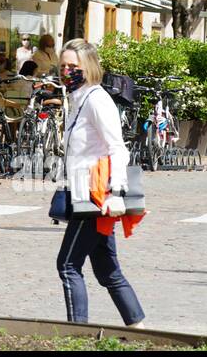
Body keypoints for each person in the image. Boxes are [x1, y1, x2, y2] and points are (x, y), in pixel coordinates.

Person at [55, 38, 146, 329]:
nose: (67, 71)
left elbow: (117, 148)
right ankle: (140, 332)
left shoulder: (96, 100)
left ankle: (77, 335)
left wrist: (116, 191)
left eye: (73, 66)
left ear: (89, 67)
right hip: (85, 192)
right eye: (63, 66)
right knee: (108, 272)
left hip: (96, 196)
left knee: (68, 265)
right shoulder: (77, 99)